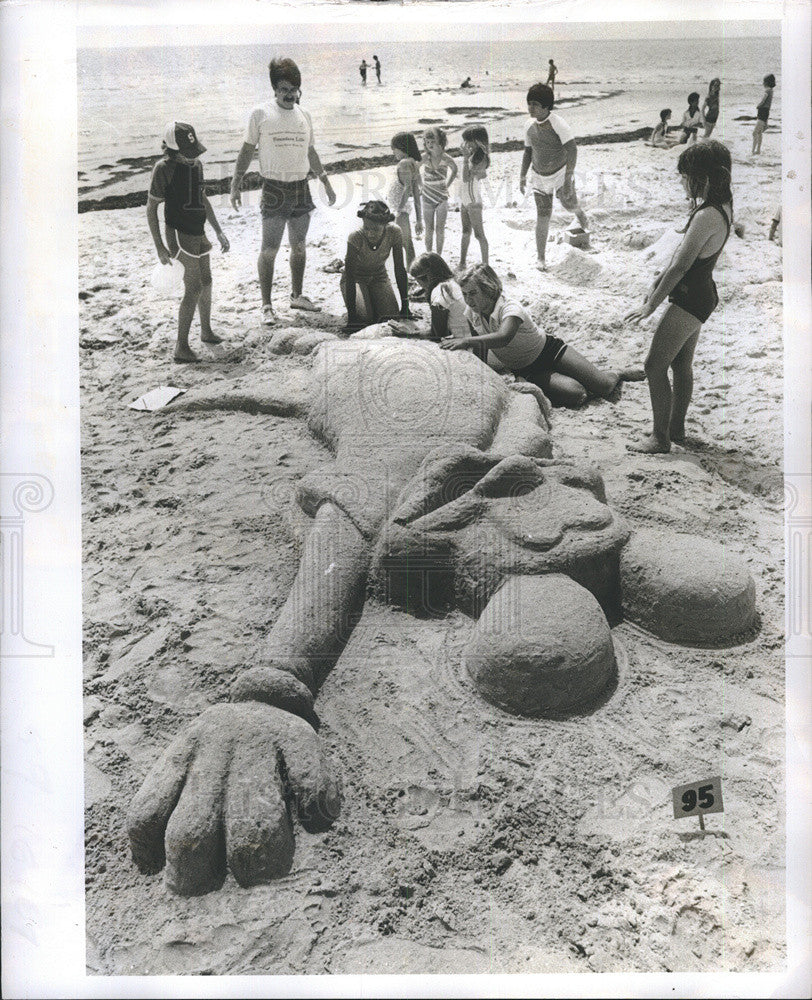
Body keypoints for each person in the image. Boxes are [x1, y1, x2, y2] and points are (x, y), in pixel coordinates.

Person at [624, 140, 733, 453]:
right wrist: (657, 282)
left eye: (684, 176)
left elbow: (680, 266)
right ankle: (677, 429)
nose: (681, 181)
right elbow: (680, 258)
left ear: (702, 177)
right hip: (702, 294)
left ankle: (660, 439)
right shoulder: (721, 207)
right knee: (681, 365)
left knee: (653, 366)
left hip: (690, 299)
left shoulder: (706, 215)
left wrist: (650, 304)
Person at [442, 264, 643, 407]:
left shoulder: (510, 308)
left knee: (604, 387)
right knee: (578, 395)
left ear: (488, 289)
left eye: (473, 293)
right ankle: (535, 379)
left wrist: (465, 340)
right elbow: (480, 349)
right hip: (527, 368)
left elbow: (504, 337)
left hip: (550, 350)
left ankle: (618, 372)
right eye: (465, 294)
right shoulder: (472, 313)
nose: (468, 300)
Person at [230, 57, 336, 326]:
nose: (290, 95)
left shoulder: (305, 116)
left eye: (294, 90)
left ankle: (297, 295)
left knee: (299, 247)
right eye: (284, 89)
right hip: (274, 188)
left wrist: (325, 181)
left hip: (301, 187)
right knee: (269, 249)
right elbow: (246, 150)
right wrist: (236, 182)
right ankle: (266, 305)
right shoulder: (260, 114)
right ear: (275, 89)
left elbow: (310, 152)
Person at [147, 121, 230, 363]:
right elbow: (151, 208)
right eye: (186, 153)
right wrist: (160, 246)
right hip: (179, 234)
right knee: (192, 288)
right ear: (172, 150)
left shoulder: (197, 165)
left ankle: (206, 331)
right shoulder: (163, 169)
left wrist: (218, 230)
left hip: (198, 229)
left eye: (194, 152)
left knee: (207, 281)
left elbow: (202, 197)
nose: (192, 158)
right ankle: (181, 347)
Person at [519, 83, 589, 271]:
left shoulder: (558, 123)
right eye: (529, 103)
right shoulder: (528, 125)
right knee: (543, 215)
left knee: (568, 204)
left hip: (560, 172)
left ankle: (580, 214)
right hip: (539, 176)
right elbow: (527, 152)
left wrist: (567, 179)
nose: (530, 108)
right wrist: (522, 176)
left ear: (546, 106)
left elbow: (572, 150)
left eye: (535, 104)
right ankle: (541, 258)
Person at [341, 201, 410, 330]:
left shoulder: (394, 232)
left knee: (390, 317)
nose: (370, 233)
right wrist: (352, 318)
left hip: (379, 276)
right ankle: (359, 306)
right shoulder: (356, 236)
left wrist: (405, 306)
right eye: (367, 228)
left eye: (375, 229)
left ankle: (370, 299)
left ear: (385, 225)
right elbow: (350, 276)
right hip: (355, 279)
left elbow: (400, 269)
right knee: (365, 319)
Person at [389, 252, 475, 348]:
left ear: (425, 278)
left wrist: (410, 333)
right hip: (473, 339)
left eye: (418, 281)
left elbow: (437, 335)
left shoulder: (440, 293)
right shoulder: (454, 282)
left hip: (467, 345)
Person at [420, 127, 458, 255]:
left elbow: (455, 169)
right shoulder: (425, 157)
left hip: (442, 197)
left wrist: (448, 184)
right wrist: (420, 185)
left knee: (440, 229)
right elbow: (414, 169)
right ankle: (429, 255)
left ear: (441, 142)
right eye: (427, 142)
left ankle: (439, 255)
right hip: (427, 196)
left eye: (432, 141)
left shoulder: (446, 158)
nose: (430, 145)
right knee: (429, 229)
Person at [388, 131, 423, 266]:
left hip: (400, 209)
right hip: (400, 209)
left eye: (394, 149)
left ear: (402, 147)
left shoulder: (404, 163)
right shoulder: (412, 163)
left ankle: (410, 268)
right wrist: (419, 220)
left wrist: (399, 209)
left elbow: (408, 188)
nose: (393, 153)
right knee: (406, 242)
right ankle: (410, 268)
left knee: (405, 243)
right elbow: (416, 193)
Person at [459, 125, 490, 268]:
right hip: (466, 199)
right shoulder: (474, 155)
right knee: (465, 232)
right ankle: (462, 262)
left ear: (478, 141)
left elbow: (466, 178)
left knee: (479, 235)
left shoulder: (481, 157)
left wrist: (465, 159)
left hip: (472, 200)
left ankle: (485, 265)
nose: (466, 144)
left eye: (468, 141)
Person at [752, 74, 776, 154]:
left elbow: (764, 99)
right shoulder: (771, 90)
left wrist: (758, 105)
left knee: (755, 133)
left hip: (762, 112)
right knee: (759, 133)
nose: (763, 83)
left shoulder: (767, 90)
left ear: (766, 82)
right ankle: (758, 150)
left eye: (764, 81)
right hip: (766, 112)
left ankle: (753, 151)